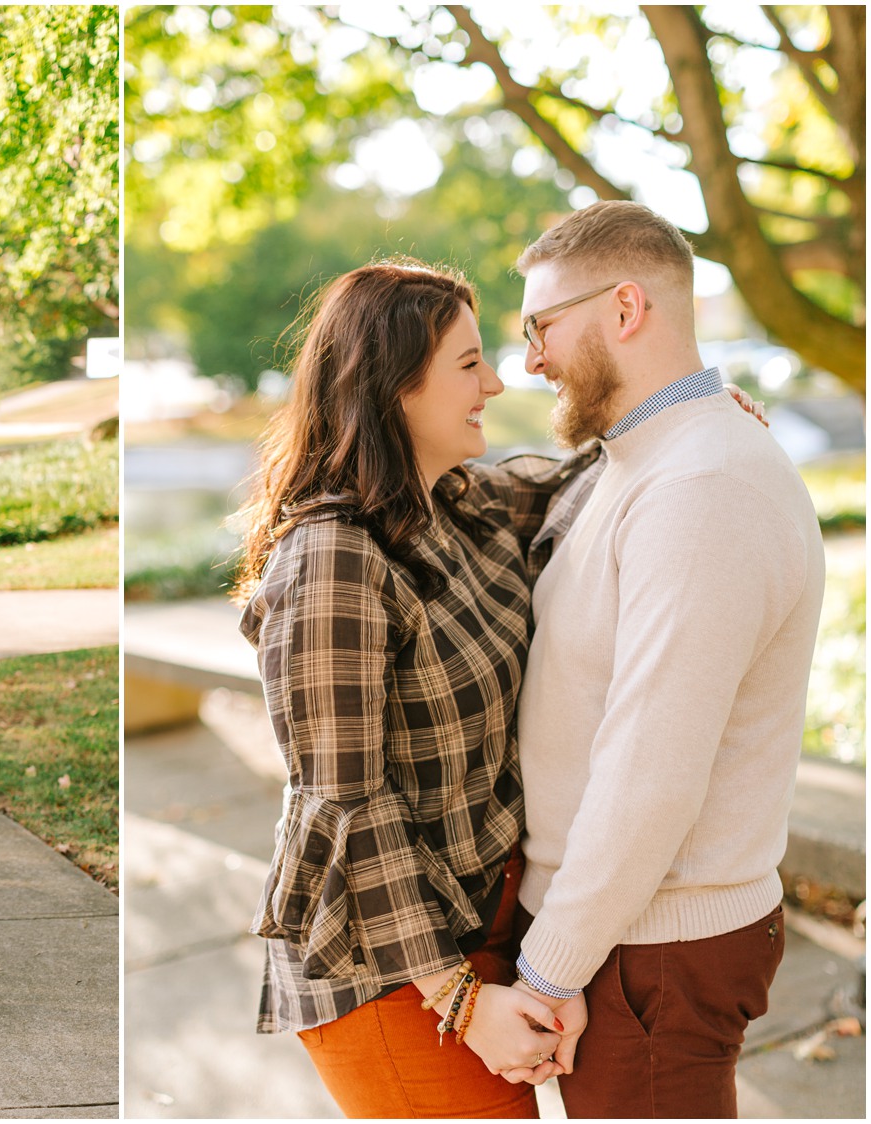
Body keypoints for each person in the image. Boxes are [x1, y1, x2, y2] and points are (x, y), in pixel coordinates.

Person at [234, 260, 593, 1118]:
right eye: (470, 364)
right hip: (389, 968)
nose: (496, 382)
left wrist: (692, 418)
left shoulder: (456, 504)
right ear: (393, 384)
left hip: (481, 921)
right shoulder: (333, 561)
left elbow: (582, 480)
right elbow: (347, 804)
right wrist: (461, 1001)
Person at [505, 200, 826, 1118]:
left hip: (650, 950)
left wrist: (550, 971)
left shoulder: (703, 487)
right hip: (626, 937)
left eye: (541, 325)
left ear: (626, 307)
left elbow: (652, 772)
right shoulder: (648, 460)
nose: (529, 358)